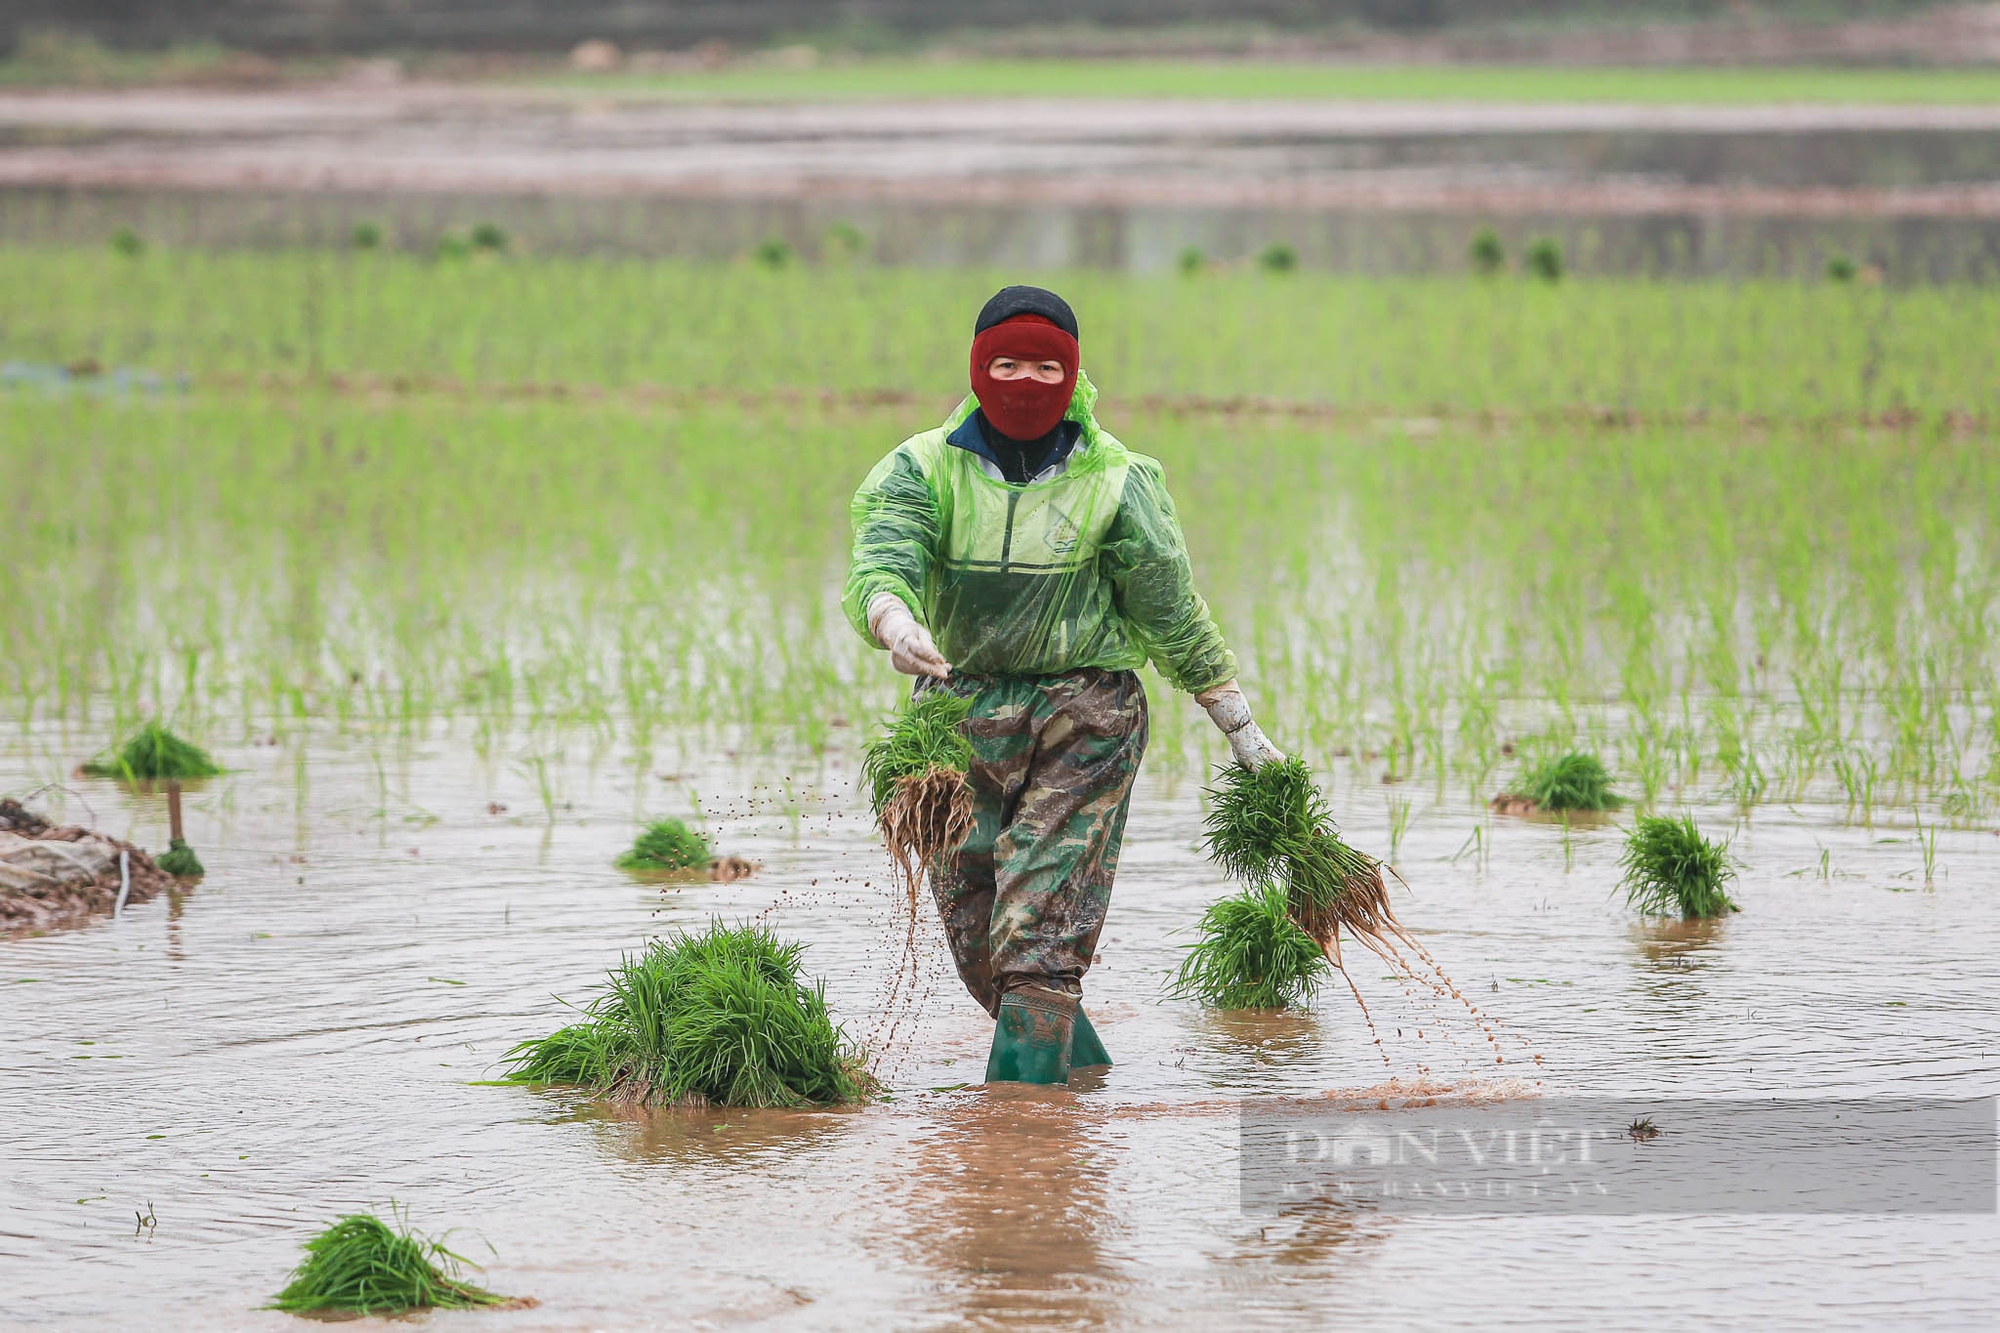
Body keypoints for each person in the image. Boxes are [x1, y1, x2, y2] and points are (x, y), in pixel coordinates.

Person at [843, 285, 1281, 1086]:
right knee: (982, 944)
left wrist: (1239, 725)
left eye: (1046, 365)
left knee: (1038, 939)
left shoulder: (1117, 480)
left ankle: (1020, 1148)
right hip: (956, 714)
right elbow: (884, 554)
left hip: (1086, 716)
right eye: (1006, 362)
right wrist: (892, 619)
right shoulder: (922, 469)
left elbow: (1171, 611)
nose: (1025, 379)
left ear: (1072, 372)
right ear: (978, 368)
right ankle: (1079, 1087)